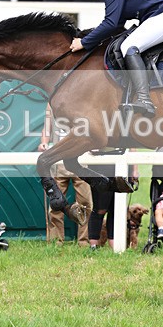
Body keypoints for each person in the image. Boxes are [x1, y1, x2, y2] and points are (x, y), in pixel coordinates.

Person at [39, 104, 93, 246]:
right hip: (58, 163)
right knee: (55, 204)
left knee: (86, 203)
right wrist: (44, 143)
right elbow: (47, 126)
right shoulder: (52, 103)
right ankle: (56, 241)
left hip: (82, 161)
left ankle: (83, 242)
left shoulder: (84, 100)